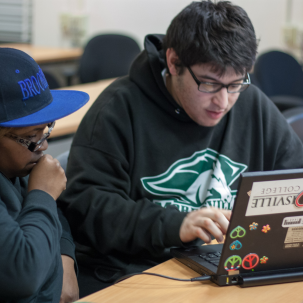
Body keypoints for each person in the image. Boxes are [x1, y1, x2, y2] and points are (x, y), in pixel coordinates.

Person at [58, 0, 303, 297]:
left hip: (224, 264)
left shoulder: (254, 105)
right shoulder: (117, 110)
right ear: (174, 63)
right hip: (131, 271)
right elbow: (87, 209)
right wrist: (176, 225)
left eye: (236, 83)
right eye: (210, 84)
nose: (223, 102)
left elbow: (295, 180)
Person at [0, 48, 89, 302]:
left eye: (46, 130)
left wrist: (64, 257)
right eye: (30, 137)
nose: (43, 146)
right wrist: (42, 195)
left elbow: (54, 215)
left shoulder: (18, 164)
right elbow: (23, 275)